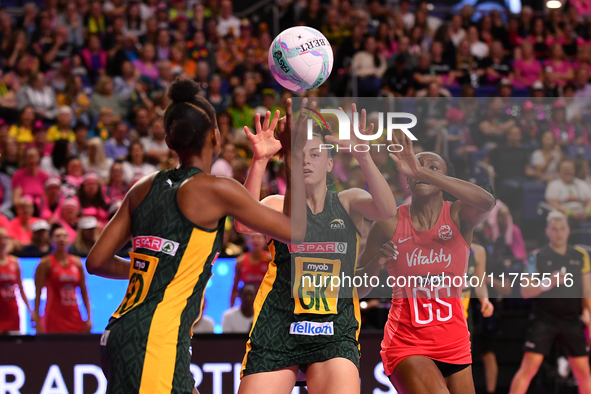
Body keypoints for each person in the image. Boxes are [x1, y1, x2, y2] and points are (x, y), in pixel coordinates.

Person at [85, 78, 307, 393]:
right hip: (155, 341)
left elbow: (96, 261)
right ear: (215, 138)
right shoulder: (215, 189)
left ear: (168, 139)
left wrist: (156, 269)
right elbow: (296, 231)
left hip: (120, 333)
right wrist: (292, 154)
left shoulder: (141, 188)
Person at [236, 104, 397, 394]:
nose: (307, 162)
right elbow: (242, 224)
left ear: (329, 162)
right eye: (300, 155)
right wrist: (259, 160)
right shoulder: (275, 203)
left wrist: (363, 155)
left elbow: (386, 210)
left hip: (333, 328)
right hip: (279, 323)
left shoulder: (349, 201)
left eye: (315, 154)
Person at [357, 133, 495, 394]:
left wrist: (424, 172)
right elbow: (359, 288)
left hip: (455, 344)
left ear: (445, 180)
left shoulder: (457, 215)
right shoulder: (388, 223)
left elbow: (487, 201)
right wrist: (376, 262)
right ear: (407, 180)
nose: (421, 170)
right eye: (416, 166)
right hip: (407, 344)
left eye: (434, 168)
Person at [509, 211, 591, 394]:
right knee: (528, 368)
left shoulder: (581, 255)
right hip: (544, 319)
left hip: (572, 319)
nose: (559, 233)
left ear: (568, 230)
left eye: (562, 229)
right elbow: (525, 291)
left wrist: (589, 315)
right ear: (548, 231)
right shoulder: (535, 256)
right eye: (554, 229)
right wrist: (548, 283)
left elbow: (587, 290)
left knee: (583, 371)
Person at [33, 226, 92, 333]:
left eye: (64, 236)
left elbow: (84, 291)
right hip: (54, 316)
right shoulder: (45, 263)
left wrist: (89, 317)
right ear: (51, 241)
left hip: (74, 315)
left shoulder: (77, 263)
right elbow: (38, 294)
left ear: (69, 240)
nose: (61, 239)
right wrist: (37, 319)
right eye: (57, 236)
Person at [0, 227, 31, 333]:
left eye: (5, 238)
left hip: (12, 310)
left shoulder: (14, 262)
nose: (3, 241)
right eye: (0, 238)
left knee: (14, 345)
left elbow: (21, 289)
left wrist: (31, 311)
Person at [231, 233, 270, 307]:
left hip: (267, 303)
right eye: (252, 237)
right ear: (246, 241)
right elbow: (234, 288)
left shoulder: (270, 260)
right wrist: (231, 308)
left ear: (265, 241)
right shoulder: (240, 261)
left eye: (259, 237)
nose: (256, 240)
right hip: (247, 304)